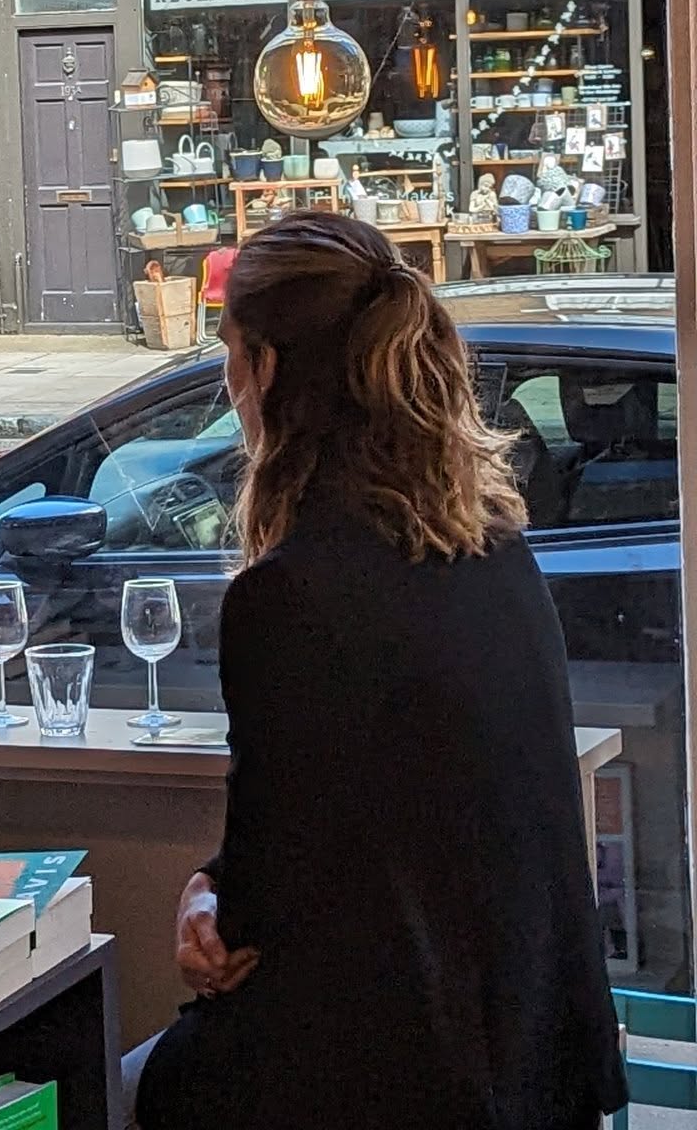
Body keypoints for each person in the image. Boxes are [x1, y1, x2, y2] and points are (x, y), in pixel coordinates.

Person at [129, 213, 626, 1130]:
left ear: (265, 370)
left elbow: (269, 896)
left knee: (123, 1081)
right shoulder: (493, 548)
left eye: (230, 353)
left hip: (400, 1074)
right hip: (540, 1066)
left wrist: (212, 897)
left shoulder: (290, 594)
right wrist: (214, 883)